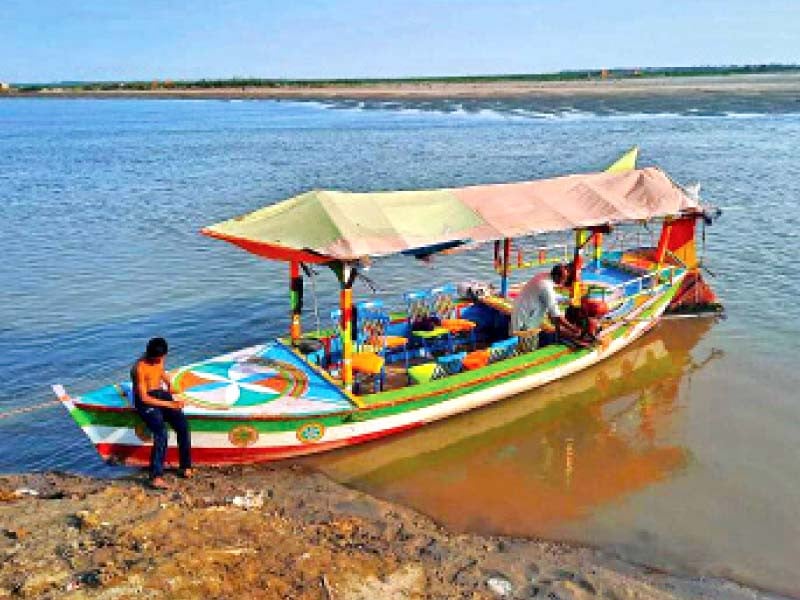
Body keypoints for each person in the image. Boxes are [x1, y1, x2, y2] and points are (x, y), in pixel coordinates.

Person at [131, 337, 192, 489]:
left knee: (183, 426)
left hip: (160, 394)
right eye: (154, 359)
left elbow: (161, 372)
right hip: (145, 401)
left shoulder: (159, 359)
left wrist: (170, 384)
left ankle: (185, 466)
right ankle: (156, 476)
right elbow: (144, 398)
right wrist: (170, 404)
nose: (157, 361)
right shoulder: (139, 368)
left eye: (160, 359)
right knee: (161, 433)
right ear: (148, 353)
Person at [510, 264, 585, 344]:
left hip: (522, 311)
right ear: (556, 276)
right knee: (525, 342)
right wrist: (575, 330)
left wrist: (568, 300)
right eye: (563, 279)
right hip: (525, 319)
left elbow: (552, 296)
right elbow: (557, 316)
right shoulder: (546, 286)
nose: (564, 281)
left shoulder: (544, 277)